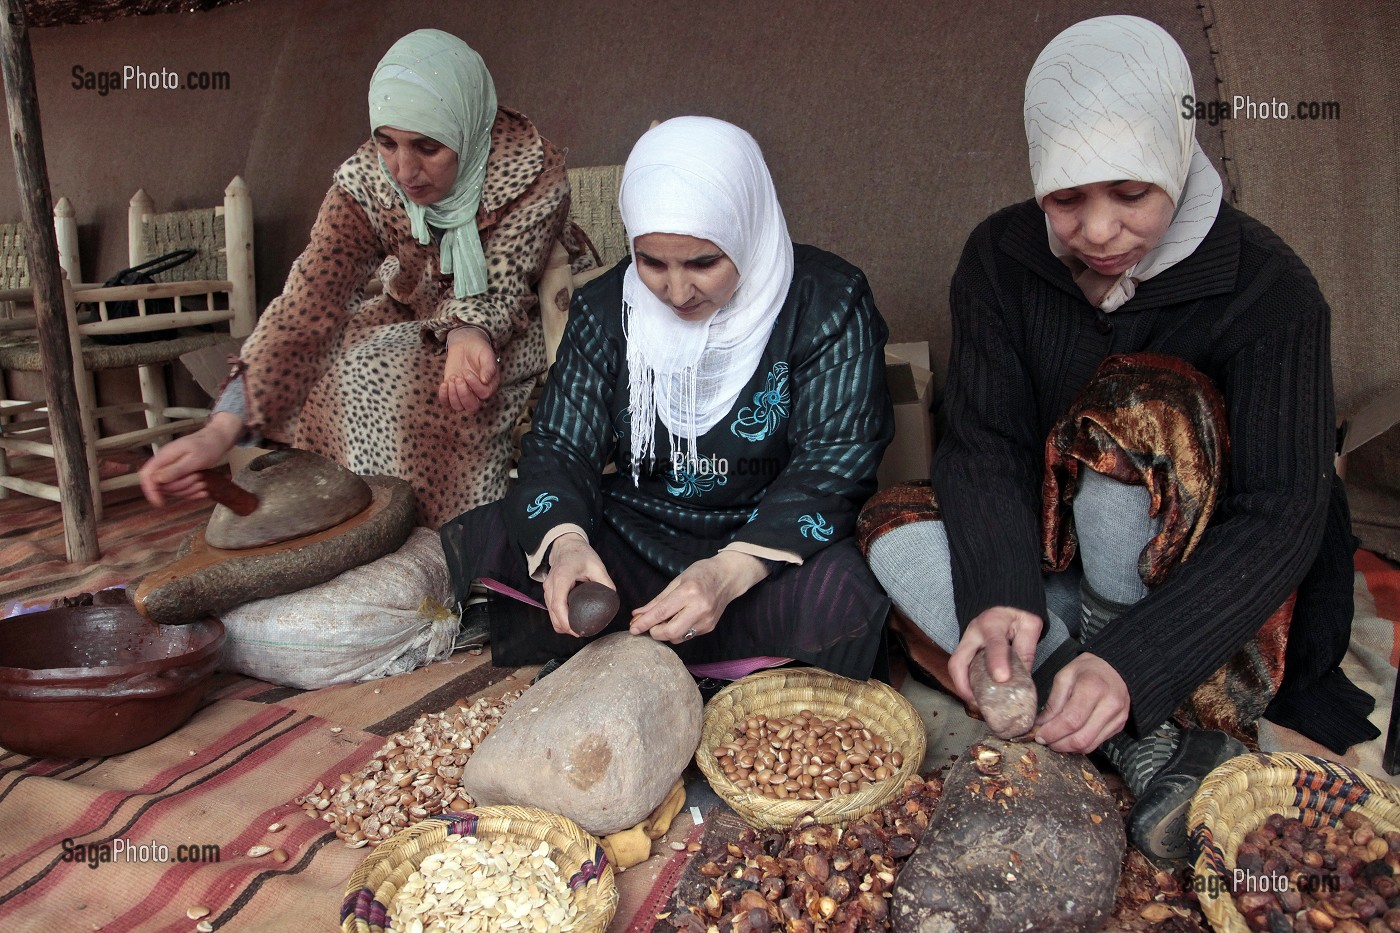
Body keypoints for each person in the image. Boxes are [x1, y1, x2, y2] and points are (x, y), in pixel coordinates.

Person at [860, 15, 1374, 859]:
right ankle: (1104, 711)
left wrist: (1136, 660)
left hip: (1213, 602)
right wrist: (1000, 593)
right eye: (1066, 199)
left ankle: (1118, 693)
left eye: (1131, 193)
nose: (1097, 231)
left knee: (1135, 415)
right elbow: (987, 442)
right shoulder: (999, 258)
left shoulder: (1271, 291)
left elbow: (1282, 515)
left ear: (1178, 153)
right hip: (1062, 564)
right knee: (891, 530)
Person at [440, 116, 894, 681]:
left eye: (704, 262)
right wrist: (567, 546)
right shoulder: (606, 307)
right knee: (502, 531)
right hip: (643, 524)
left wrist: (729, 571)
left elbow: (836, 458)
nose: (676, 292)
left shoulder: (828, 301)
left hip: (766, 535)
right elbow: (560, 446)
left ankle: (671, 638)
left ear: (747, 230)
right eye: (652, 262)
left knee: (841, 595)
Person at [138, 28, 592, 527]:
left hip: (521, 317)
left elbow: (507, 277)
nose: (404, 169)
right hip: (415, 307)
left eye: (427, 147)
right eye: (387, 142)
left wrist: (467, 332)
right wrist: (221, 429)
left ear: (467, 127)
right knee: (329, 367)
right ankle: (352, 531)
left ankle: (449, 543)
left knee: (418, 385)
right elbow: (310, 299)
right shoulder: (367, 181)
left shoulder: (529, 168)